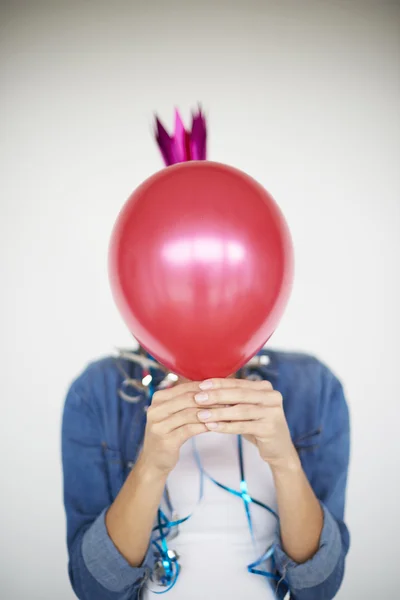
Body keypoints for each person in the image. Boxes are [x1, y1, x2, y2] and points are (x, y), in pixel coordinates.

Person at [62, 113, 350, 600]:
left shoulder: (314, 389)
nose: (201, 289)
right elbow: (93, 588)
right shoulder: (96, 395)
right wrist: (152, 464)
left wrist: (285, 462)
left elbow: (321, 587)